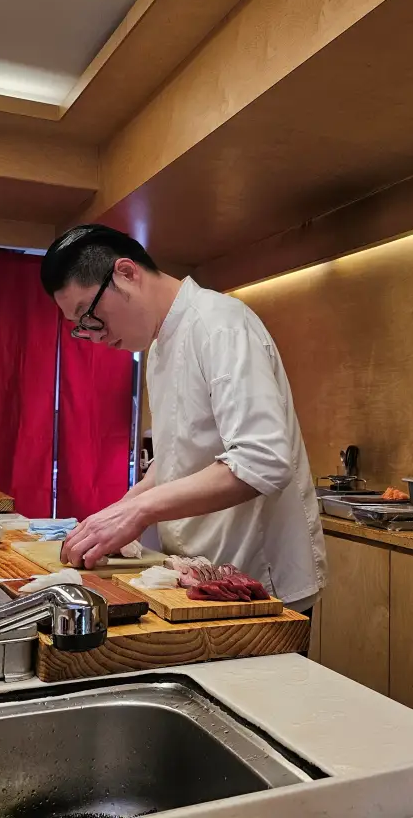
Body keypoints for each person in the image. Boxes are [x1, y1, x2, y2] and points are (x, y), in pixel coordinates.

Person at [39, 224, 327, 614]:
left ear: (126, 273)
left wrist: (137, 512)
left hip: (259, 582)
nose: (95, 335)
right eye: (82, 327)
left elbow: (263, 460)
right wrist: (115, 514)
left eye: (89, 314)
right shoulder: (159, 348)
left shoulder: (220, 324)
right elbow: (176, 458)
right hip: (199, 575)